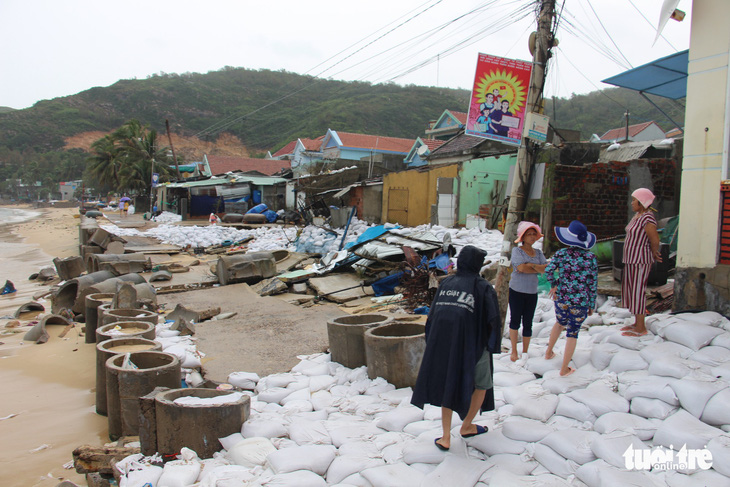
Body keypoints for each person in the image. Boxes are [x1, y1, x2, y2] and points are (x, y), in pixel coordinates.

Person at [411, 245, 502, 451]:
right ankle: (467, 425)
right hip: (474, 345)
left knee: (449, 384)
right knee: (482, 384)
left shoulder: (447, 283)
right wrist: (492, 345)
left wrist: (432, 341)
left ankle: (445, 437)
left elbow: (432, 316)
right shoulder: (483, 287)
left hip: (445, 345)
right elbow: (493, 319)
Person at [544, 220, 598, 376]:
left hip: (561, 298)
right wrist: (591, 304)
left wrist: (554, 285)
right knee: (573, 333)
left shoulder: (561, 254)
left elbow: (548, 271)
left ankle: (548, 352)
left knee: (559, 323)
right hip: (580, 301)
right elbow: (593, 283)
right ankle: (564, 369)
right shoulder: (590, 258)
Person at [621, 188, 662, 337]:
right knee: (631, 290)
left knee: (638, 291)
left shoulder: (648, 218)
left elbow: (654, 239)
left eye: (634, 200)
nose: (632, 203)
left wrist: (654, 253)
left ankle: (641, 328)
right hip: (631, 259)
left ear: (642, 202)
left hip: (640, 259)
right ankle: (636, 323)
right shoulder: (638, 216)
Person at [509, 221, 548, 361]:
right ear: (523, 237)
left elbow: (545, 268)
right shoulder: (517, 251)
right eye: (529, 234)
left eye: (533, 234)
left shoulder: (538, 253)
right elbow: (521, 268)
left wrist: (531, 265)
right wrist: (536, 267)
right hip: (517, 290)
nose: (532, 237)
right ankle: (514, 351)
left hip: (531, 292)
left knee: (528, 322)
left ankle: (525, 351)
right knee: (515, 320)